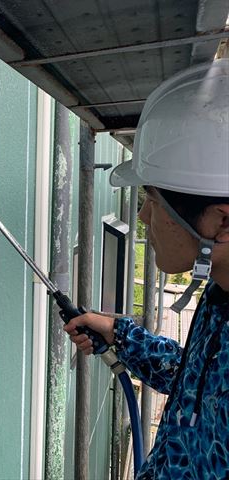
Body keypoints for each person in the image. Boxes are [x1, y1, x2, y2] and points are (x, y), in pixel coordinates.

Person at [64, 58, 229, 479]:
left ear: (220, 222)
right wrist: (121, 335)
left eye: (153, 200)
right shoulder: (219, 293)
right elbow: (195, 384)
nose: (140, 216)